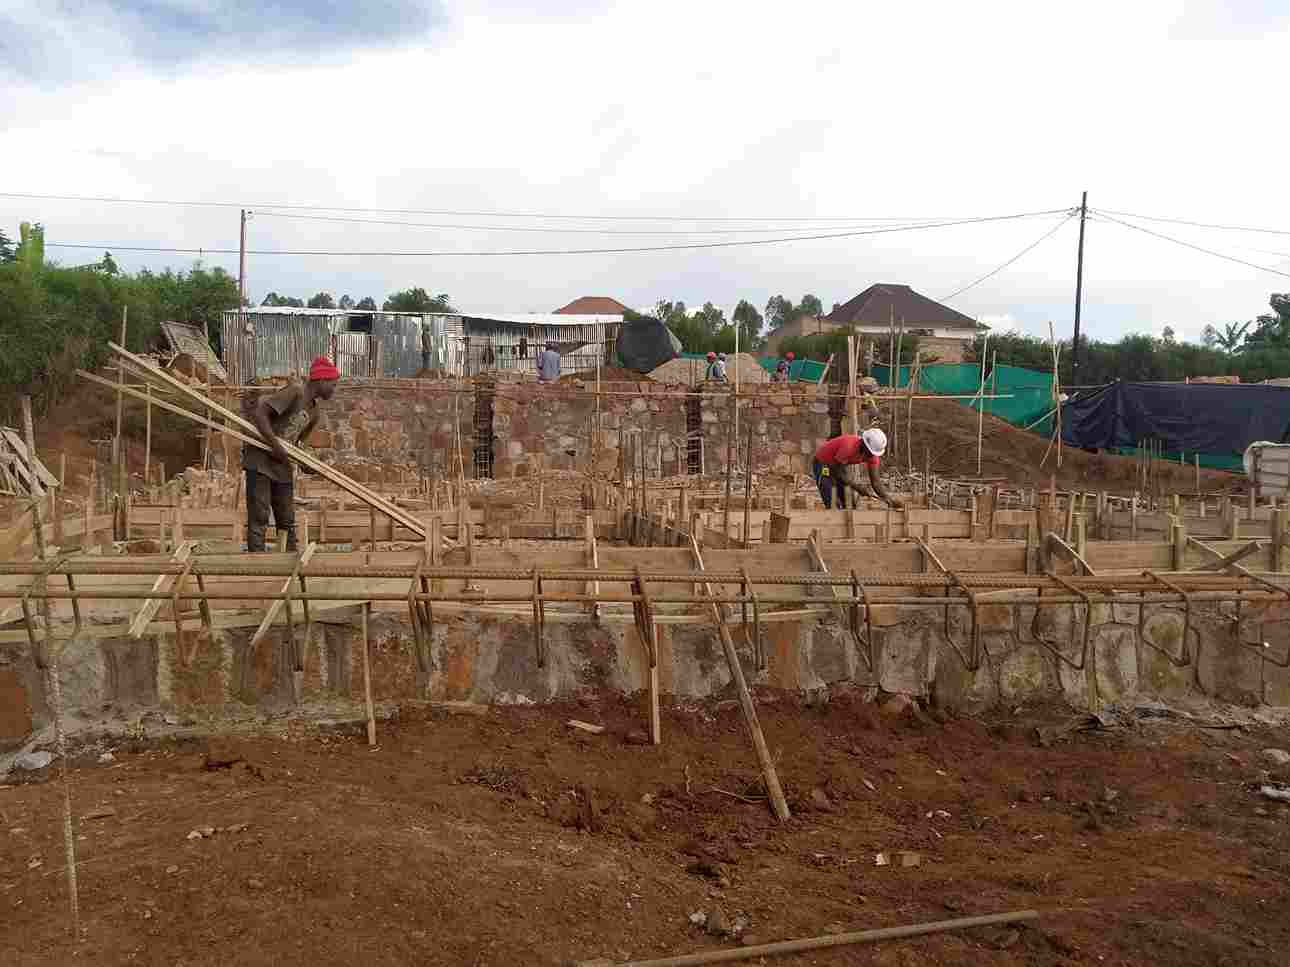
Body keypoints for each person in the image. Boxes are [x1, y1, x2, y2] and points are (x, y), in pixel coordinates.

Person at [242, 356, 340, 552]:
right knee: (260, 516)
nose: (333, 390)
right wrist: (276, 445)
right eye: (332, 384)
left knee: (286, 520)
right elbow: (261, 413)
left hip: (281, 464)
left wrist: (309, 465)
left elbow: (297, 445)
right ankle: (256, 567)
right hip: (260, 458)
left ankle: (288, 565)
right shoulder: (295, 392)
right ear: (321, 380)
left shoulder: (315, 413)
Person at [812, 427, 903, 510]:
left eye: (873, 453)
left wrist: (888, 499)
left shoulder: (873, 456)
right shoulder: (849, 446)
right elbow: (837, 471)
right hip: (824, 464)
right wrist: (858, 487)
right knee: (833, 504)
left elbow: (875, 482)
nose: (871, 455)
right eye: (870, 452)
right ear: (864, 444)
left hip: (839, 466)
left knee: (850, 504)